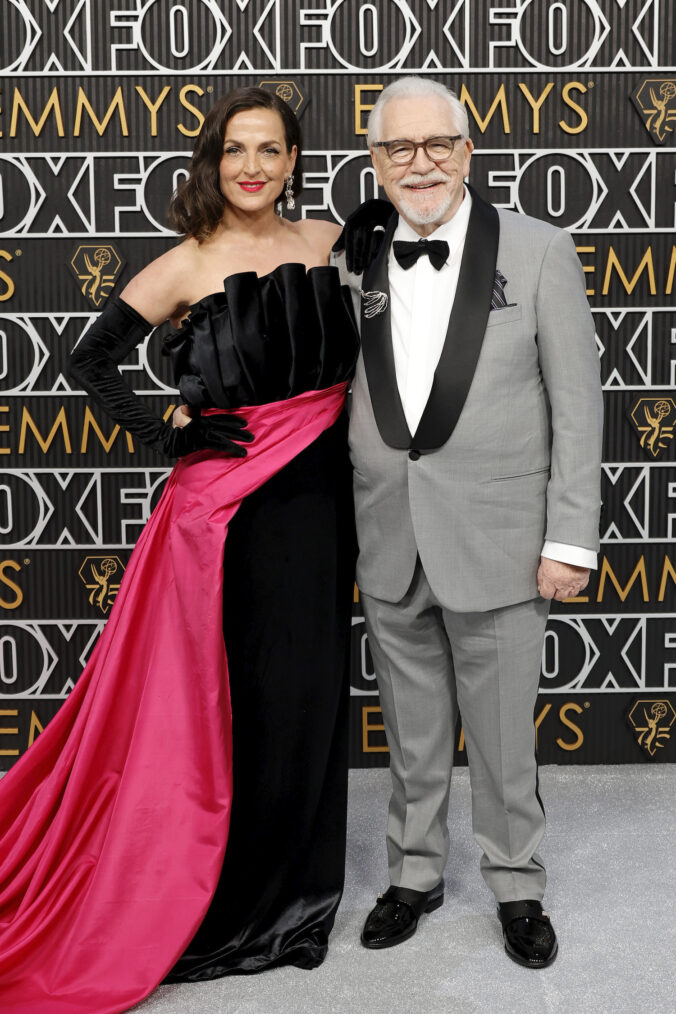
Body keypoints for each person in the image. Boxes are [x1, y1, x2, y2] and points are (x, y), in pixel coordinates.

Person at [0, 87, 359, 1013]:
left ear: (291, 161)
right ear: (215, 160)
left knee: (310, 689)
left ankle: (298, 901)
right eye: (236, 149)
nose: (252, 166)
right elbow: (87, 361)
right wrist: (169, 432)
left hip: (322, 501)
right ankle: (234, 902)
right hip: (227, 510)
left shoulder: (333, 242)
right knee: (231, 699)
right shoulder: (183, 263)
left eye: (270, 150)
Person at [334, 76, 603, 968]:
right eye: (399, 149)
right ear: (376, 163)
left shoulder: (535, 250)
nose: (421, 164)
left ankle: (516, 882)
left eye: (437, 145)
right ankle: (412, 873)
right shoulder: (354, 257)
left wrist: (569, 539)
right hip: (390, 535)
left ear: (466, 152)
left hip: (501, 535)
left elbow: (577, 403)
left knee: (499, 729)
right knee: (410, 728)